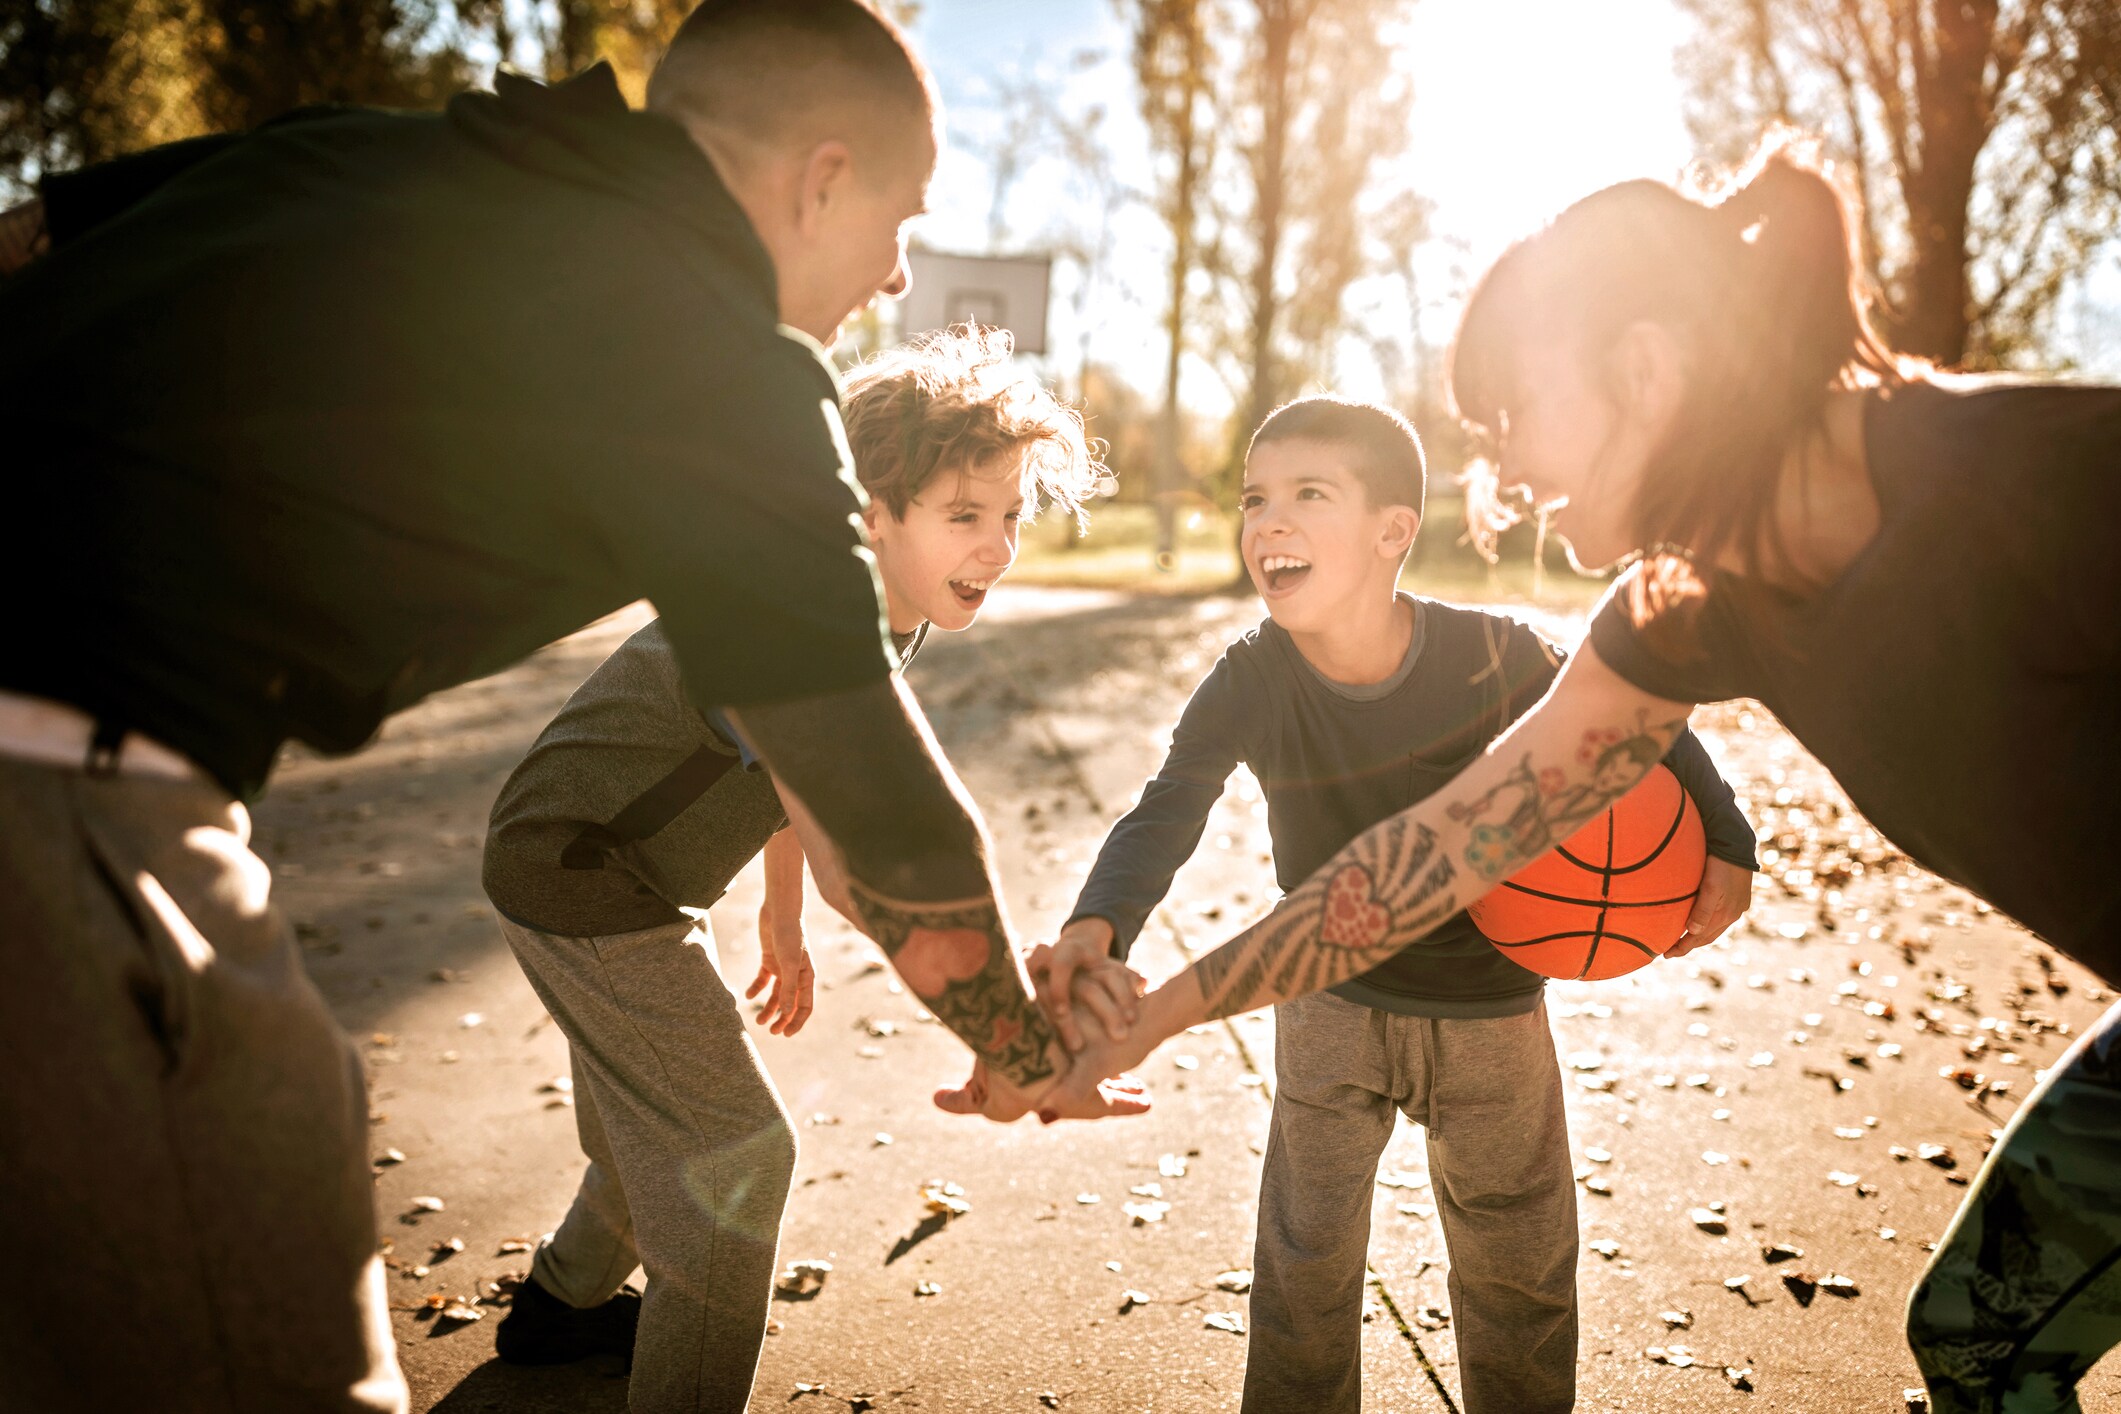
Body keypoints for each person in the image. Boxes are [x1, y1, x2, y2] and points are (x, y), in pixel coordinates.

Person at [0, 5, 1137, 1410]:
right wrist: (1025, 1050)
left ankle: (567, 1293)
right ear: (820, 177)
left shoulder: (366, 156)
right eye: (900, 223)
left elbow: (29, 237)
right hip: (58, 776)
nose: (898, 272)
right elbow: (877, 812)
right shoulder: (721, 366)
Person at [1035, 134, 2121, 1413]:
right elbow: (1428, 855)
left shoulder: (2040, 477)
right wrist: (1145, 1016)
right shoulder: (1687, 611)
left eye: (1515, 420)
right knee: (1982, 1342)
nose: (1504, 478)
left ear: (1646, 371)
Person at [1034, 396, 1755, 1413]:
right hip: (1328, 1006)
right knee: (1305, 1266)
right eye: (1254, 498)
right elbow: (1166, 812)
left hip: (1492, 1008)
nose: (1267, 522)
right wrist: (1094, 929)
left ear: (1392, 533)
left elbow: (1638, 712)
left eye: (1306, 495)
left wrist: (1728, 837)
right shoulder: (1251, 677)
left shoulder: (1495, 653)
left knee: (1519, 1273)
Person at [479, 327, 1116, 1409]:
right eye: (965, 516)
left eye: (1010, 515)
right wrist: (999, 1029)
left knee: (655, 1128)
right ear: (869, 515)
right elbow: (864, 857)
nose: (1000, 546)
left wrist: (780, 924)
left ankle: (558, 1310)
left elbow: (793, 775)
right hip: (578, 875)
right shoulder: (790, 611)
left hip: (612, 875)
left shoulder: (874, 617)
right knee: (734, 1150)